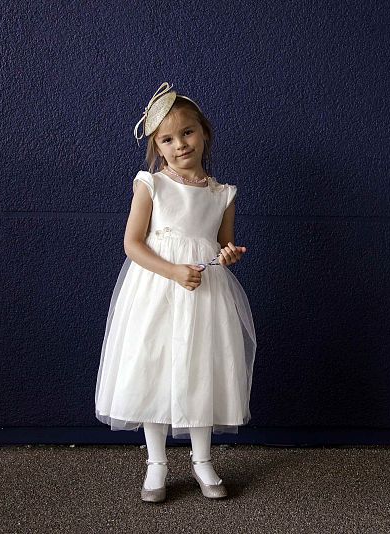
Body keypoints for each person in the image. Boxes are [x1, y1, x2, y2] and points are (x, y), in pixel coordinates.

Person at [94, 82, 256, 502]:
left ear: (204, 133)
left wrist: (228, 254)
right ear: (157, 146)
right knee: (156, 365)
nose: (180, 144)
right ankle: (157, 463)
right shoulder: (151, 184)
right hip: (158, 288)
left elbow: (220, 244)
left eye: (187, 133)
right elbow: (133, 243)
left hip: (203, 290)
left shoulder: (222, 194)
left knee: (201, 367)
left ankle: (202, 461)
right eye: (167, 139)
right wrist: (172, 270)